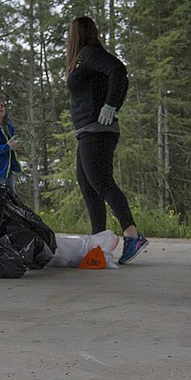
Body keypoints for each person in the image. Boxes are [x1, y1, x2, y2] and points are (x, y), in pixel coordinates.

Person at [64, 16, 148, 265]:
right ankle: (97, 244)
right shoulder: (84, 59)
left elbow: (119, 71)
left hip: (97, 130)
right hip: (87, 131)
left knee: (101, 182)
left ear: (77, 34)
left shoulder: (89, 53)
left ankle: (132, 234)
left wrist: (111, 105)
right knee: (88, 185)